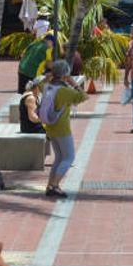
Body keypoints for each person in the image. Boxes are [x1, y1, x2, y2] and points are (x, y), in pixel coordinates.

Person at [41, 60, 88, 198]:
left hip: (50, 126)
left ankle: (50, 186)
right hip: (62, 128)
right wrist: (74, 84)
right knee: (69, 157)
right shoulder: (65, 91)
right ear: (65, 75)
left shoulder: (47, 86)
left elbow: (39, 83)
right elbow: (84, 97)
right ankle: (55, 185)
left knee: (59, 157)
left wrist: (47, 77)